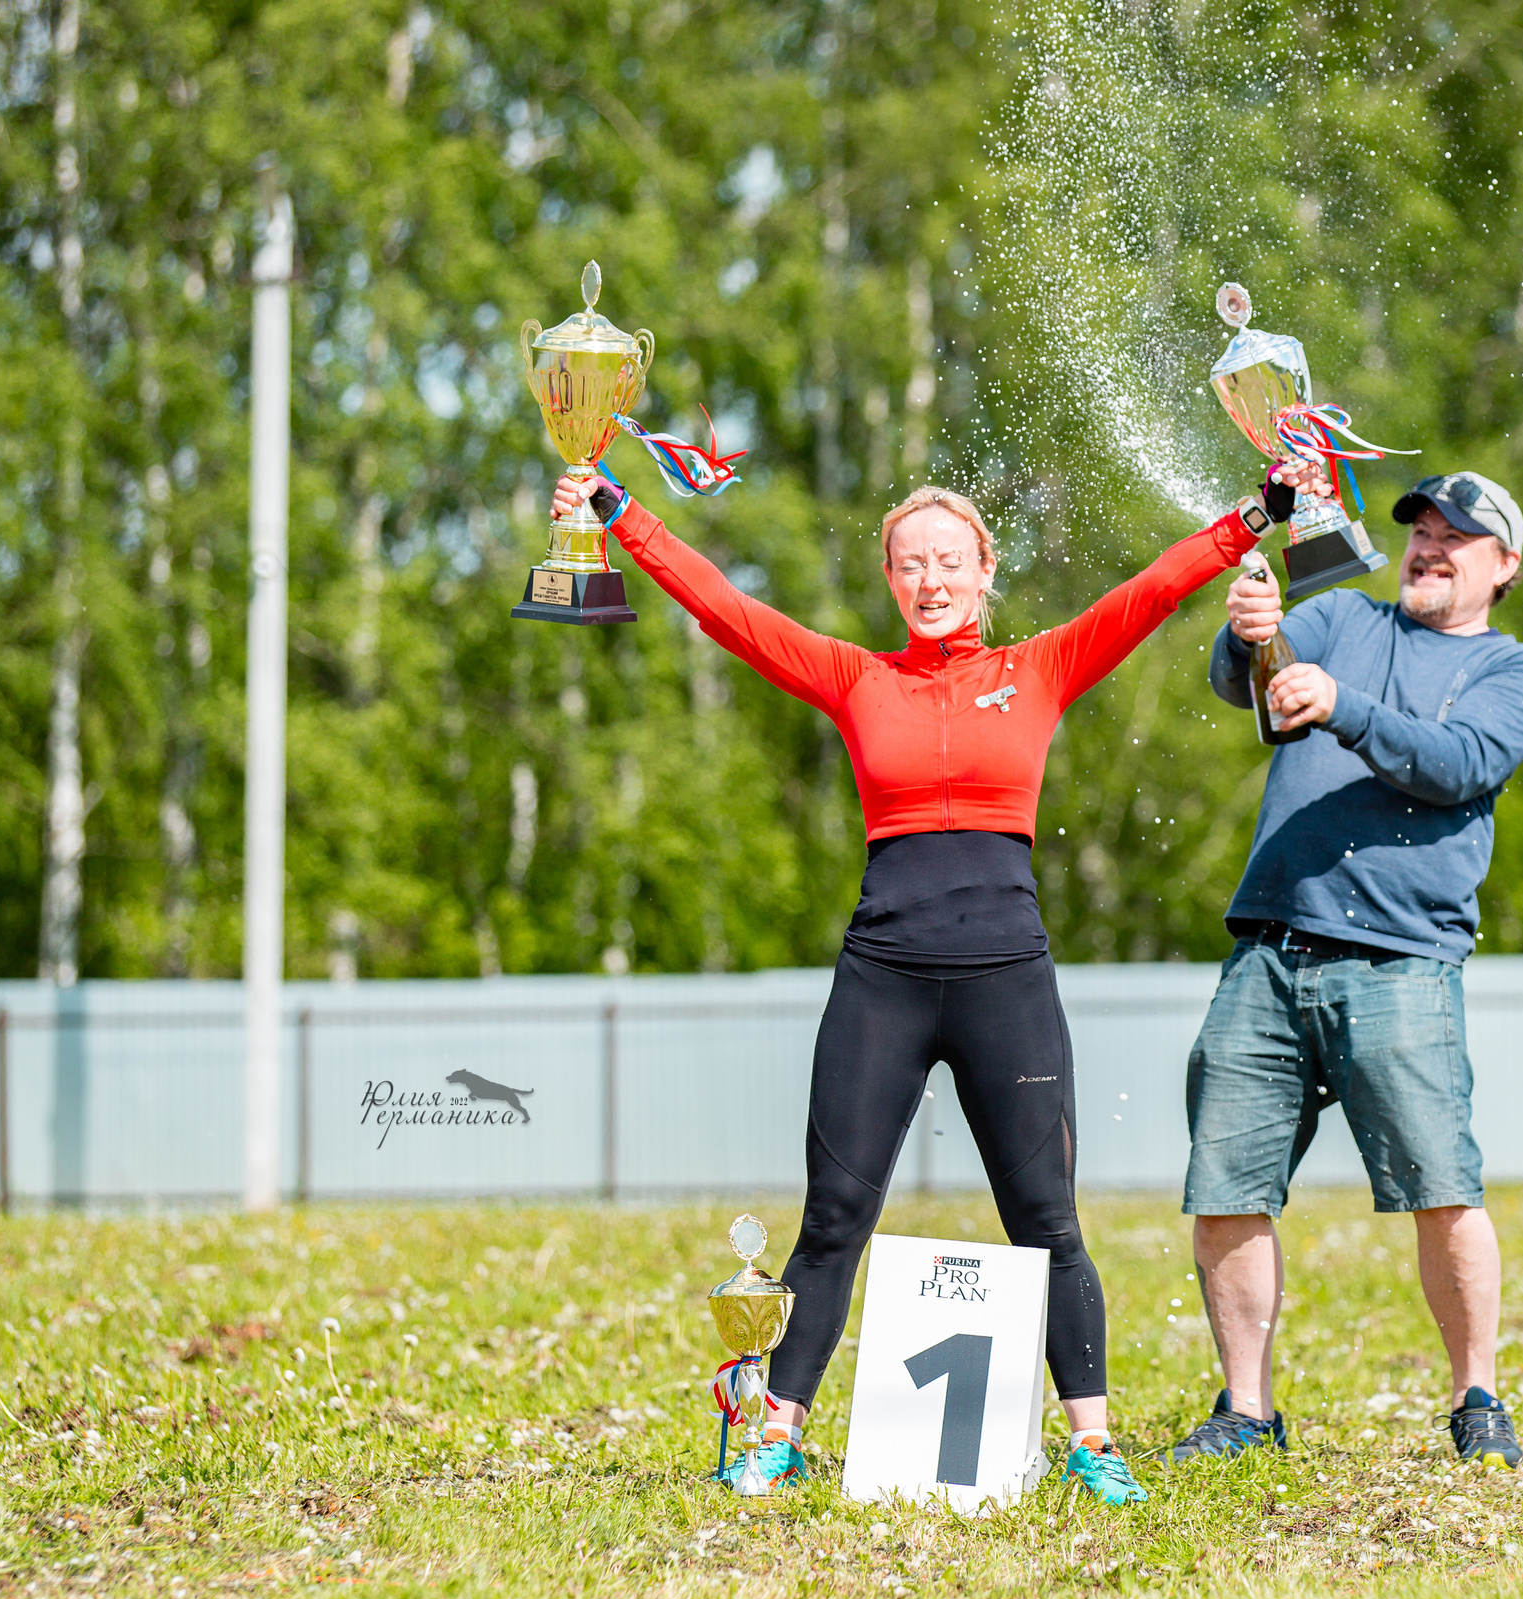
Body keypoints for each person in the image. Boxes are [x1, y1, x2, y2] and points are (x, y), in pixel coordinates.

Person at [548, 461, 1318, 1503]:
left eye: (947, 561)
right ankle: (776, 1432)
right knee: (832, 1218)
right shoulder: (854, 676)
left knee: (1046, 1223)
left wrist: (1254, 515)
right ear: (888, 578)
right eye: (909, 565)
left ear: (984, 570)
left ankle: (1093, 1445)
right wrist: (615, 510)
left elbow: (1151, 591)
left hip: (1008, 979)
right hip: (884, 977)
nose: (929, 580)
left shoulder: (1039, 666)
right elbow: (724, 610)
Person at [1172, 469, 1523, 1469]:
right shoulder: (1339, 613)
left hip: (1402, 963)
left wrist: (1344, 707)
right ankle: (1246, 1412)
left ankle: (1477, 1399)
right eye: (1420, 531)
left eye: (1455, 538)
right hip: (1268, 950)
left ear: (1503, 566)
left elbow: (1454, 766)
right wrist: (1250, 632)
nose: (1428, 548)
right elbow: (1248, 688)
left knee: (1440, 1186)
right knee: (1226, 1185)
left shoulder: (1517, 672)